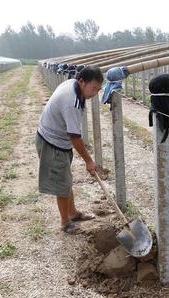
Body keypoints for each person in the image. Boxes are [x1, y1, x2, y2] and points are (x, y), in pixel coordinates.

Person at [35, 66, 103, 234]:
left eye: (98, 89)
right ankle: (65, 223)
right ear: (82, 82)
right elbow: (74, 136)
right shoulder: (71, 101)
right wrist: (89, 161)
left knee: (65, 180)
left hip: (57, 139)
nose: (95, 93)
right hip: (53, 143)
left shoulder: (73, 83)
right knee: (62, 184)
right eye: (93, 88)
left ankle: (72, 213)